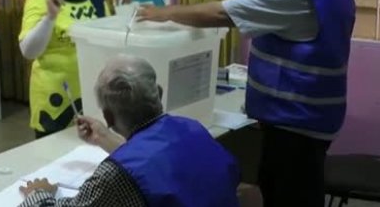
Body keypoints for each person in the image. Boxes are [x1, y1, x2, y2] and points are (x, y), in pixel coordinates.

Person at [138, 0, 356, 207]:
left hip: (296, 124)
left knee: (288, 197)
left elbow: (222, 14)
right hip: (313, 117)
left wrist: (163, 13)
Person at [18, 55, 241, 207]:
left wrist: (38, 194)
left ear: (107, 116)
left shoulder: (115, 176)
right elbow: (158, 163)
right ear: (159, 93)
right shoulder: (193, 128)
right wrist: (105, 138)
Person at [19, 0, 132, 138]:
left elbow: (105, 40)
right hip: (57, 101)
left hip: (94, 95)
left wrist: (124, 13)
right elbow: (28, 50)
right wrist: (49, 18)